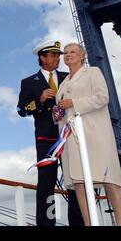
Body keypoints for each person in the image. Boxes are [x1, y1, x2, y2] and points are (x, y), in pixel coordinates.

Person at [56, 42, 121, 226]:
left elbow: (102, 97)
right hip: (72, 140)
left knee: (109, 178)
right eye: (65, 53)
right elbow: (62, 111)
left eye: (72, 52)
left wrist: (74, 102)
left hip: (95, 134)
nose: (68, 55)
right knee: (79, 183)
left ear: (82, 56)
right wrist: (56, 114)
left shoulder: (93, 73)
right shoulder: (63, 84)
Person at [17, 40, 83, 226]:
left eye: (58, 55)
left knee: (74, 181)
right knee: (47, 184)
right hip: (46, 140)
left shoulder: (69, 76)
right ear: (42, 58)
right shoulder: (29, 82)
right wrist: (39, 100)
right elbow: (21, 110)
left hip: (70, 135)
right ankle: (46, 224)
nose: (58, 59)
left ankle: (78, 223)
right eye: (53, 55)